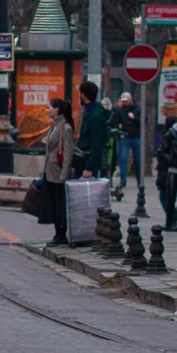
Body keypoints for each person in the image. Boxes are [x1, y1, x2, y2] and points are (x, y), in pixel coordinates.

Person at [41, 96, 77, 244]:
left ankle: (61, 234)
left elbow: (68, 153)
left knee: (60, 204)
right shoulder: (54, 125)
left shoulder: (65, 128)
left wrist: (64, 175)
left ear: (57, 110)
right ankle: (57, 233)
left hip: (58, 172)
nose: (47, 110)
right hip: (50, 171)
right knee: (53, 204)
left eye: (49, 107)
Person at [75, 79, 110, 180]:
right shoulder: (88, 111)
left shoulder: (96, 116)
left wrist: (89, 168)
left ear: (83, 95)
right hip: (82, 161)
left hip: (88, 163)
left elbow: (97, 144)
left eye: (80, 93)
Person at [113, 93, 139, 185]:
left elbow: (143, 122)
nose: (124, 103)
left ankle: (139, 180)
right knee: (122, 159)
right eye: (123, 101)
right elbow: (115, 121)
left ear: (130, 99)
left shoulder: (137, 109)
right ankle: (123, 180)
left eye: (125, 101)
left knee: (138, 160)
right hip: (125, 136)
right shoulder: (121, 110)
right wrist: (120, 131)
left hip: (136, 136)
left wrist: (134, 118)